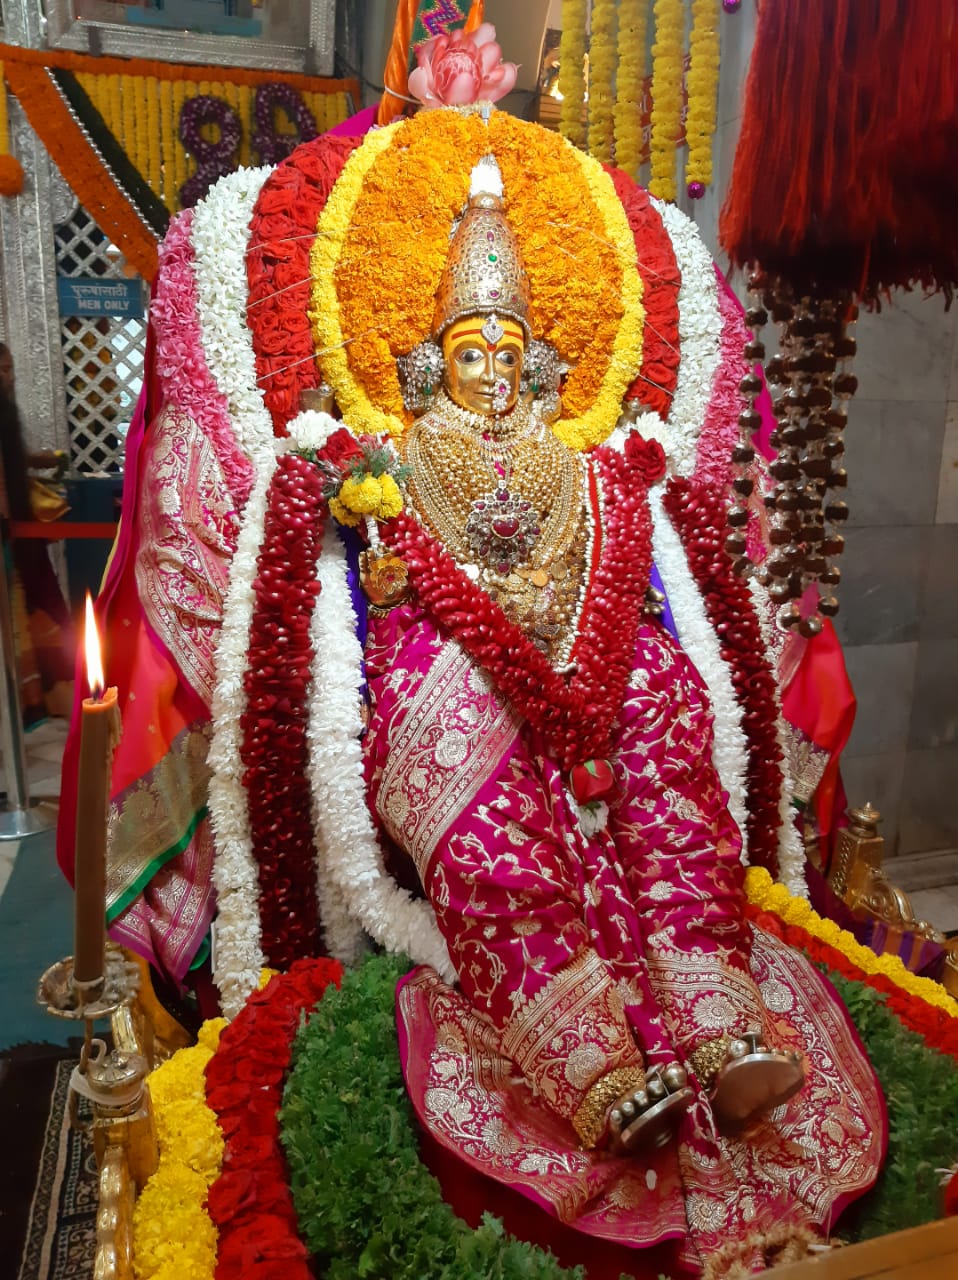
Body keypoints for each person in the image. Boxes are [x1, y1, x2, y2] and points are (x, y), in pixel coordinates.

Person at [58, 105, 884, 1276]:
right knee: (467, 746)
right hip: (453, 675)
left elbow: (640, 573)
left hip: (589, 669)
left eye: (509, 349)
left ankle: (715, 1010)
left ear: (544, 360)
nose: (491, 370)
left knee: (665, 712)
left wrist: (618, 638)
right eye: (470, 349)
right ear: (430, 357)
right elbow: (364, 608)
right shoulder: (380, 468)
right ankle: (580, 1051)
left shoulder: (589, 462)